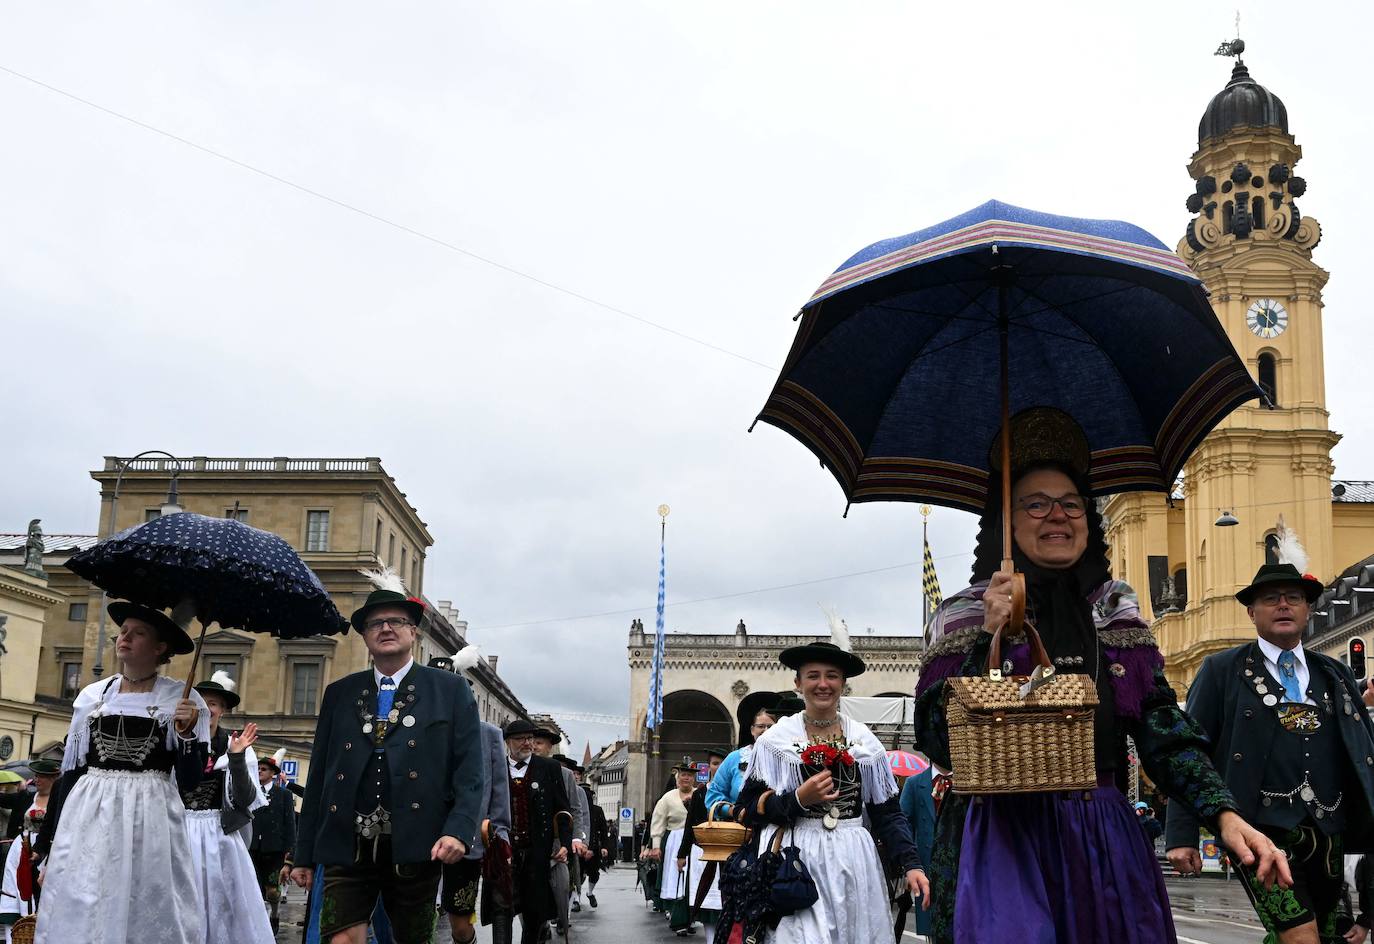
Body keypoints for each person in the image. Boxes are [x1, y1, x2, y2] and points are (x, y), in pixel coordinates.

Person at [912, 407, 1289, 944]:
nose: (1057, 516)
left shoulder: (1116, 612)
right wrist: (984, 638)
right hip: (998, 841)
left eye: (1072, 505)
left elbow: (1163, 729)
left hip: (1102, 838)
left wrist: (1223, 814)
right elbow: (936, 740)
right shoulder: (964, 614)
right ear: (1006, 523)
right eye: (1036, 504)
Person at [1165, 551, 1374, 943]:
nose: (1283, 605)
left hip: (1330, 831)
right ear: (1252, 612)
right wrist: (1181, 833)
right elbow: (1187, 751)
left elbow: (1364, 756)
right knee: (1300, 935)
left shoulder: (1336, 673)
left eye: (1293, 598)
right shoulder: (1221, 671)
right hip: (1259, 832)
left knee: (1329, 936)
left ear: (1308, 609)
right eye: (1270, 598)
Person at [288, 568, 484, 944]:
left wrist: (458, 830)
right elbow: (320, 781)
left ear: (414, 632)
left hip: (417, 842)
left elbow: (469, 772)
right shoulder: (340, 693)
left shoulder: (450, 690)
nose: (386, 628)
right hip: (348, 841)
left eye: (397, 621)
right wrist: (304, 854)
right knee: (341, 939)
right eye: (375, 623)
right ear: (364, 636)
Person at [35, 601, 210, 943]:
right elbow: (71, 773)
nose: (124, 637)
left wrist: (187, 734)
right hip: (89, 812)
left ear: (160, 648)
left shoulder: (183, 700)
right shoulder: (92, 696)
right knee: (83, 895)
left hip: (150, 816)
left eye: (138, 633)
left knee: (144, 896)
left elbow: (191, 783)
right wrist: (48, 842)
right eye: (123, 630)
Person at [736, 641, 928, 943]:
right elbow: (745, 810)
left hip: (854, 860)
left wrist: (911, 863)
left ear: (843, 684)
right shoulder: (775, 742)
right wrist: (798, 800)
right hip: (797, 860)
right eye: (813, 676)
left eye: (832, 676)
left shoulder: (866, 743)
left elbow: (888, 813)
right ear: (798, 683)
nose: (822, 684)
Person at [179, 672, 274, 944]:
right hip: (179, 830)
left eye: (214, 703)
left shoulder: (235, 746)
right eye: (202, 702)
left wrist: (236, 758)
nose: (207, 708)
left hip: (218, 834)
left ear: (222, 710)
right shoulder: (177, 740)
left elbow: (245, 800)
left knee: (224, 903)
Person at [494, 718, 572, 944]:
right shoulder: (495, 765)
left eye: (530, 738)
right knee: (502, 909)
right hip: (502, 851)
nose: (527, 743)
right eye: (520, 739)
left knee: (534, 913)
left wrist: (565, 843)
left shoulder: (549, 768)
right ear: (508, 742)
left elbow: (563, 810)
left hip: (536, 851)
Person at [442, 719, 512, 944]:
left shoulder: (488, 734)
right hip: (418, 837)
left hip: (466, 842)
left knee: (460, 926)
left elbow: (499, 791)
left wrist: (499, 836)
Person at [0, 758, 58, 940]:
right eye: (36, 775)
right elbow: (5, 799)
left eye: (42, 776)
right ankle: (16, 933)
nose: (37, 779)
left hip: (46, 850)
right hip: (21, 849)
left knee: (39, 889)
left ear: (53, 778)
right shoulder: (26, 797)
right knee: (16, 885)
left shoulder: (60, 802)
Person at [676, 748, 730, 941]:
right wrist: (682, 854)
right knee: (708, 904)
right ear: (709, 767)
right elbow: (690, 825)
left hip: (730, 853)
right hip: (704, 854)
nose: (719, 767)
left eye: (723, 763)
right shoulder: (701, 793)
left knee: (729, 901)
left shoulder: (736, 791)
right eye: (715, 764)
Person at [250, 751, 295, 933]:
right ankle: (258, 925)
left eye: (264, 769)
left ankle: (274, 914)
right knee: (254, 891)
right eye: (258, 768)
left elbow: (290, 825)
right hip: (252, 849)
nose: (259, 771)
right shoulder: (251, 792)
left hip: (274, 851)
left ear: (273, 773)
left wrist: (289, 857)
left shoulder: (283, 794)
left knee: (273, 892)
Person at [648, 763, 697, 919]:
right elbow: (658, 822)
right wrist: (656, 846)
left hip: (694, 843)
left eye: (689, 776)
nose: (686, 779)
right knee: (673, 876)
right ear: (678, 778)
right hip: (673, 841)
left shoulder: (699, 795)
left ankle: (690, 913)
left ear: (693, 779)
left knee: (692, 877)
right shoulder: (668, 798)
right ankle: (674, 911)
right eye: (683, 775)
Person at [899, 764, 936, 940]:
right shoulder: (914, 783)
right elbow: (903, 827)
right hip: (925, 868)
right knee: (932, 927)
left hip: (963, 867)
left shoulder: (968, 781)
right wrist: (908, 865)